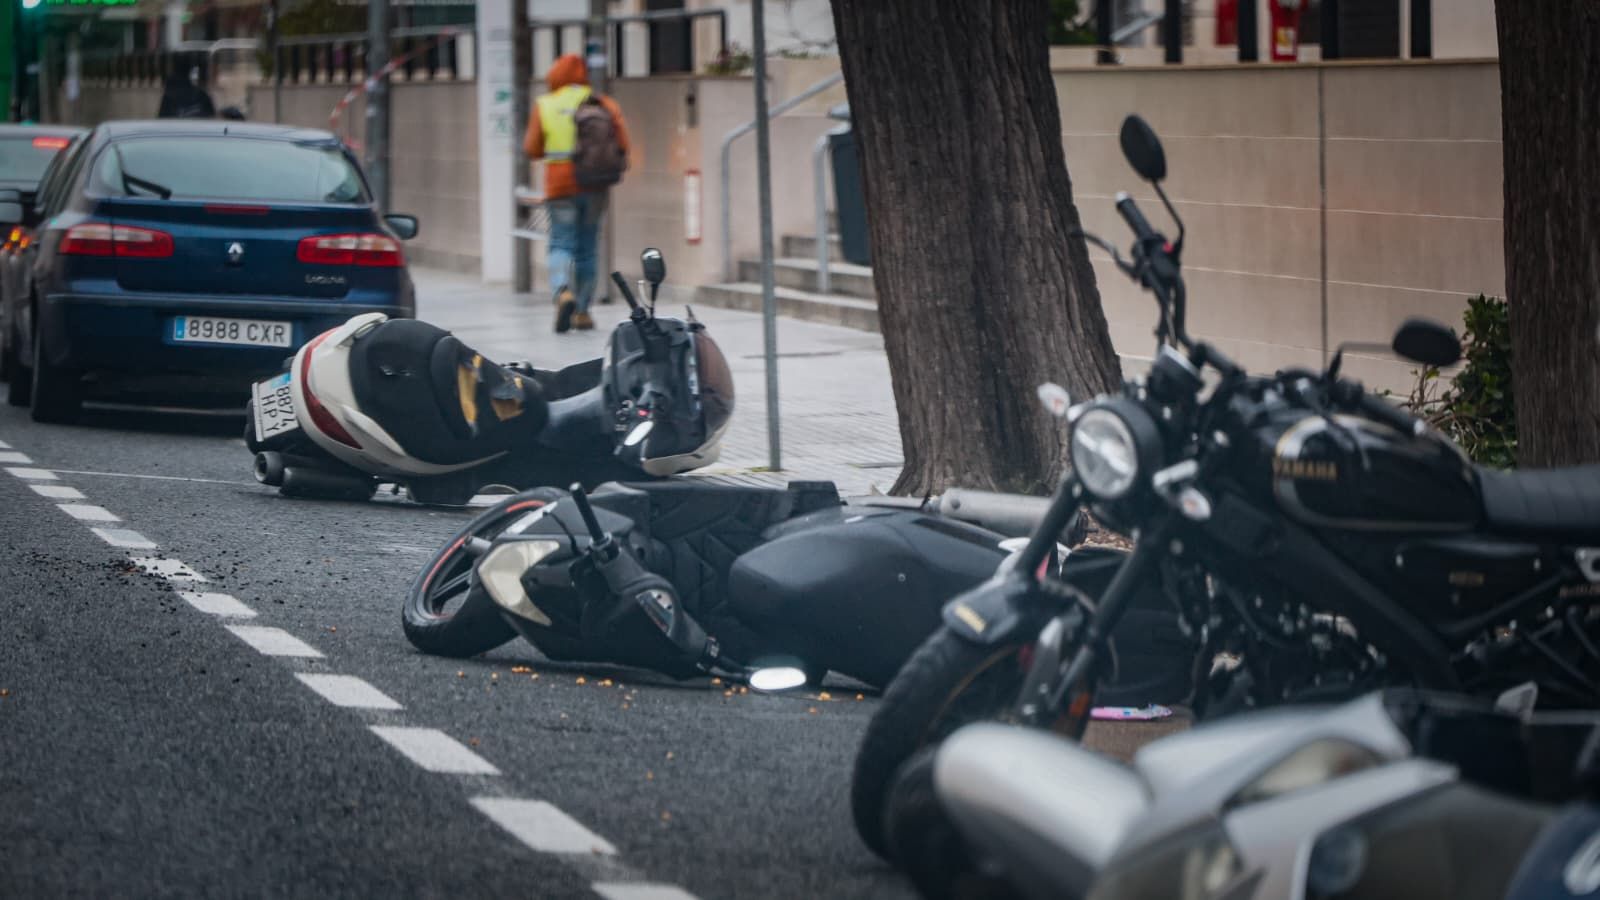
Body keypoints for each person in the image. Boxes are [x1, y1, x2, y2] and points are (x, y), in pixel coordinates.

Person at [523, 53, 630, 333]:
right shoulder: (603, 102)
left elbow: (532, 148)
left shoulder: (545, 104)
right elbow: (623, 143)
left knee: (560, 242)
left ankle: (562, 292)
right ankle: (582, 310)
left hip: (559, 186)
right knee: (587, 247)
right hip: (595, 185)